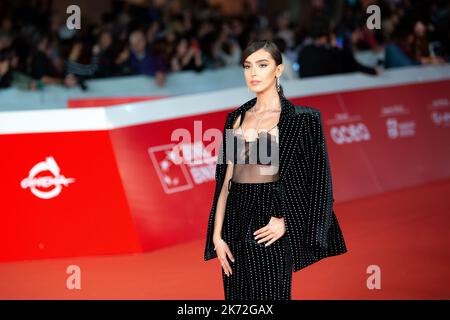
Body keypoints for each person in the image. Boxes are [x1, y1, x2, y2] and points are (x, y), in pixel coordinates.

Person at [204, 40, 347, 300]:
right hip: (235, 221)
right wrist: (217, 235)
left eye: (262, 65)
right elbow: (225, 181)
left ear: (278, 70)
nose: (253, 73)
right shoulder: (236, 117)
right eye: (247, 66)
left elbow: (319, 184)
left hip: (270, 220)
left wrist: (286, 222)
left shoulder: (303, 119)